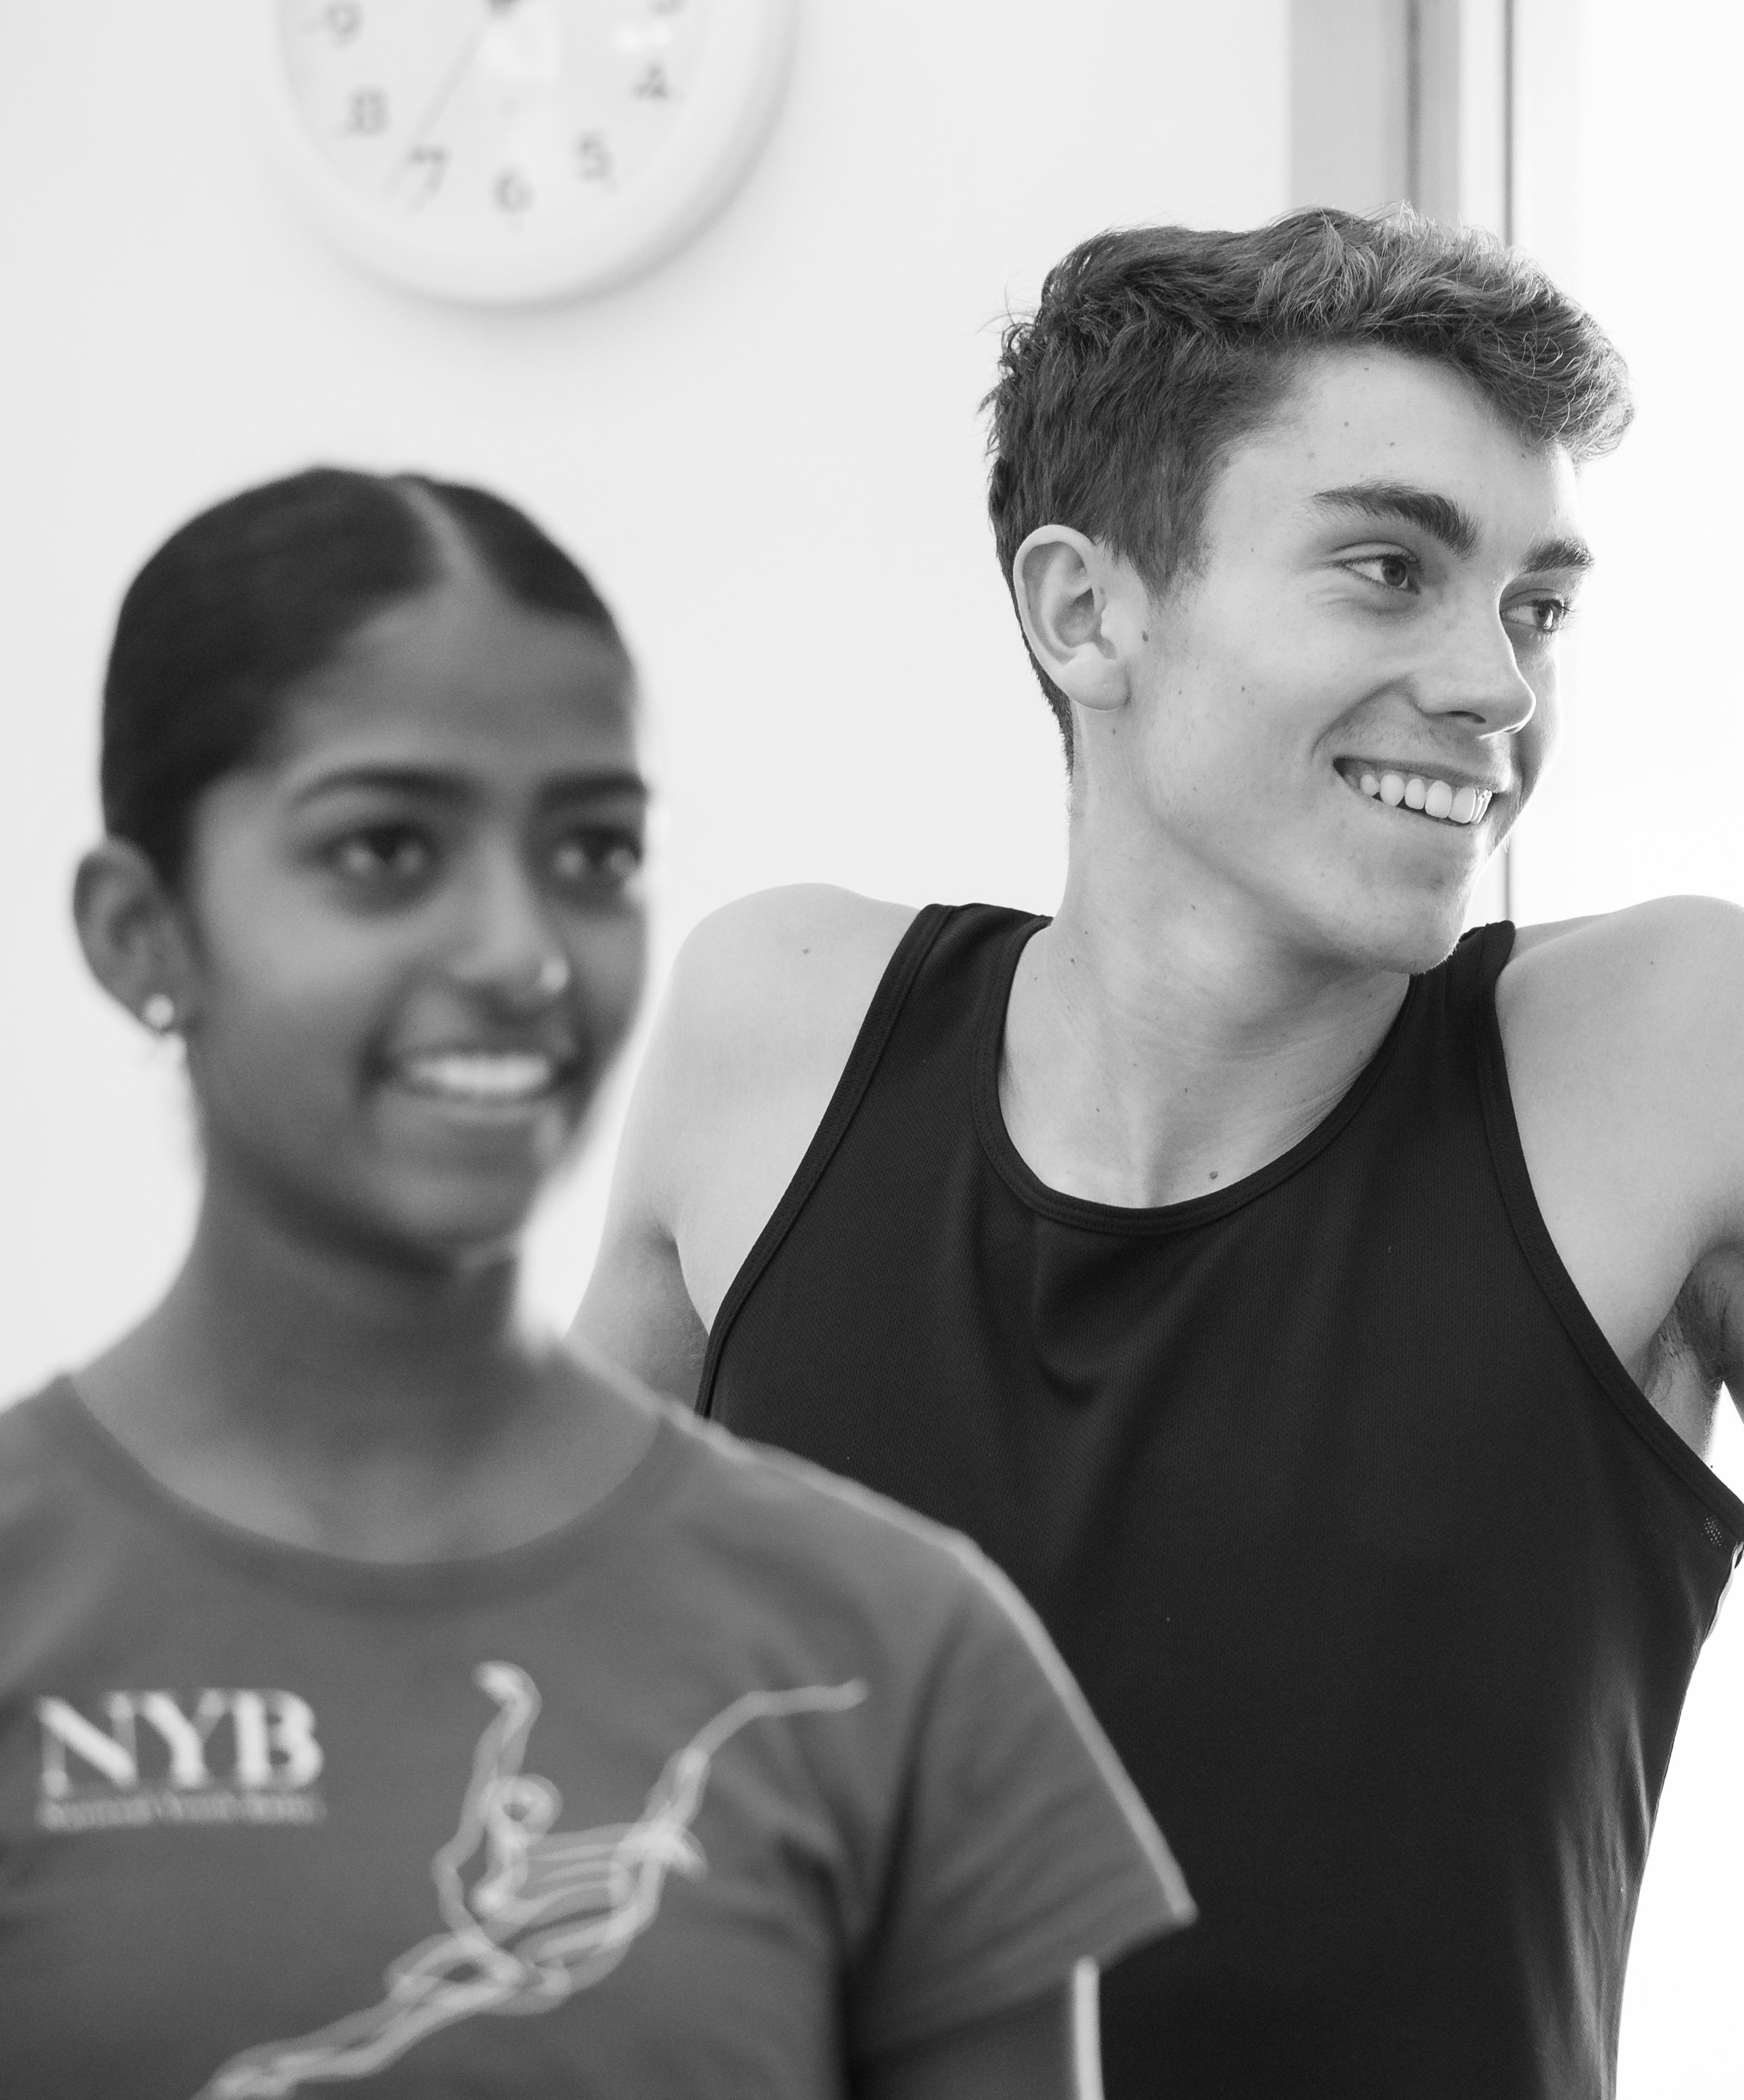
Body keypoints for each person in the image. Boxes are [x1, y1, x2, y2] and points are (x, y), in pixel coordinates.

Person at [573, 209, 1744, 2099]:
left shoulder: (1662, 1053)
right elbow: (530, 1689)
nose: (1499, 687)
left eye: (1536, 606)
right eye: (1389, 569)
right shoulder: (778, 1031)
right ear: (1084, 613)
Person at [0, 467, 1192, 2100]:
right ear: (142, 933)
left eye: (593, 851)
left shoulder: (893, 1654)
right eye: (385, 848)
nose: (522, 953)